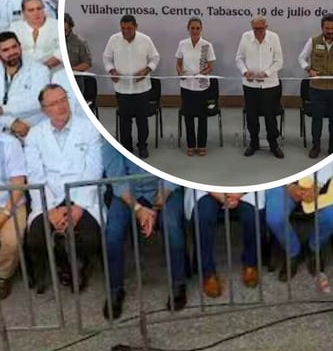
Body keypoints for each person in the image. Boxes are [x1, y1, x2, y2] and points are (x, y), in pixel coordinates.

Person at [24, 84, 104, 292]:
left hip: (82, 196)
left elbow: (93, 171)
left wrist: (77, 207)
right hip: (49, 197)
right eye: (53, 103)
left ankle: (79, 265)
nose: (60, 106)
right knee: (36, 238)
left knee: (89, 239)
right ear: (44, 109)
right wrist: (49, 210)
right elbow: (35, 175)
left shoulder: (89, 129)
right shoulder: (34, 135)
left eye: (63, 100)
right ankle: (62, 264)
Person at [101, 143, 187, 319]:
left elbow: (175, 165)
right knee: (113, 233)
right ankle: (114, 290)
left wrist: (159, 202)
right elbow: (117, 179)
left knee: (172, 226)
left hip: (164, 187)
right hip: (128, 192)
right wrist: (138, 209)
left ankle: (179, 282)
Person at [265, 156, 333, 287]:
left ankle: (313, 247)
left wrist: (318, 184)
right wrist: (288, 185)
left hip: (319, 177)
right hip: (281, 179)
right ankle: (293, 251)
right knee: (275, 217)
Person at [187, 189, 264, 295]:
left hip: (243, 186)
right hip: (206, 189)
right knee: (204, 215)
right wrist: (220, 195)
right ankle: (208, 272)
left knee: (252, 215)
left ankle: (250, 264)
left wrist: (240, 193)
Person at [102, 15, 159, 157]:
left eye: (129, 28)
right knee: (124, 119)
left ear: (135, 27)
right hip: (122, 88)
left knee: (142, 119)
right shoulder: (113, 40)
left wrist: (147, 70)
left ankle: (142, 146)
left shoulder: (145, 40)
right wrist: (111, 70)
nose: (125, 31)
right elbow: (107, 58)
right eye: (123, 28)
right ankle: (126, 147)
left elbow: (155, 58)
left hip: (142, 88)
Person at [298, 14, 333, 159]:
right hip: (317, 89)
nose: (330, 31)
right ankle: (316, 146)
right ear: (322, 27)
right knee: (317, 119)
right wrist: (309, 69)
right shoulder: (313, 41)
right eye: (327, 28)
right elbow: (301, 58)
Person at [235, 16, 284, 158]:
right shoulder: (245, 37)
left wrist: (267, 73)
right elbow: (239, 58)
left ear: (266, 27)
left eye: (261, 29)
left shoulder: (274, 38)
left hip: (270, 85)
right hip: (250, 85)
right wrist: (245, 71)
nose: (258, 32)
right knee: (251, 115)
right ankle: (253, 143)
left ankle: (273, 144)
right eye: (255, 29)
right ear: (252, 27)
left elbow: (279, 61)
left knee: (271, 116)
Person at [175, 18, 216, 157]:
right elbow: (178, 63)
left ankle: (202, 144)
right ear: (188, 29)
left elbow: (210, 66)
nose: (195, 31)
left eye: (197, 28)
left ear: (201, 29)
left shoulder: (206, 45)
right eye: (192, 28)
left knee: (202, 116)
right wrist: (180, 72)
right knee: (188, 116)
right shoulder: (182, 44)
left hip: (202, 86)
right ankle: (191, 144)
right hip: (186, 85)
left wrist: (202, 73)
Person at [0, 30, 49, 139]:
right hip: (3, 130)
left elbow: (40, 102)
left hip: (32, 130)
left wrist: (4, 109)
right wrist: (11, 122)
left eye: (14, 47)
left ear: (20, 46)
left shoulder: (39, 70)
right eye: (5, 50)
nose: (12, 52)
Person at [0, 132, 26, 299]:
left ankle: (3, 275)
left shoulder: (9, 144)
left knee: (11, 241)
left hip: (11, 203)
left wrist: (5, 214)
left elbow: (18, 185)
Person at [11, 0, 61, 72]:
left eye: (39, 8)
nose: (36, 13)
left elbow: (61, 52)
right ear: (24, 13)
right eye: (31, 10)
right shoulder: (14, 28)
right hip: (21, 71)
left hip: (53, 71)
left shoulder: (57, 26)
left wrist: (41, 69)